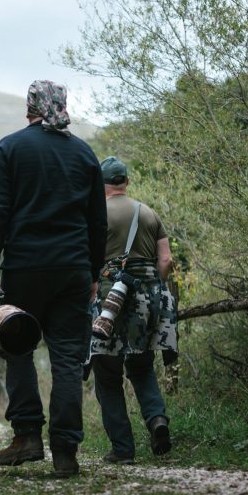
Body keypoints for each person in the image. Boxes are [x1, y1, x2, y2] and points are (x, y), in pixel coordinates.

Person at [0, 80, 107, 478]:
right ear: (62, 107)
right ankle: (65, 451)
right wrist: (93, 271)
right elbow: (97, 221)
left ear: (30, 108)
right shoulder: (84, 153)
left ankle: (27, 436)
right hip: (72, 269)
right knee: (67, 358)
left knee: (18, 348)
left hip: (25, 268)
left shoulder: (11, 148)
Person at [87, 156, 177, 464]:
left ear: (100, 185)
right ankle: (157, 419)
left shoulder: (96, 215)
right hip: (146, 299)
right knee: (141, 366)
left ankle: (123, 449)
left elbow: (87, 260)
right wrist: (152, 286)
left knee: (106, 373)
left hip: (108, 301)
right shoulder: (148, 213)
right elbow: (166, 261)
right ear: (126, 182)